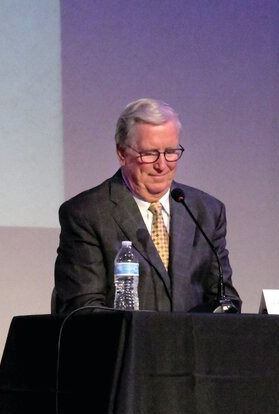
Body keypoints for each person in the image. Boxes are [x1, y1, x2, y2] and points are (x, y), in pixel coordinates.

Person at [53, 98, 241, 313]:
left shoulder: (206, 211)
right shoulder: (88, 214)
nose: (162, 165)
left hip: (192, 344)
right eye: (150, 153)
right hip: (125, 344)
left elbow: (224, 297)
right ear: (122, 153)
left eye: (170, 152)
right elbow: (84, 309)